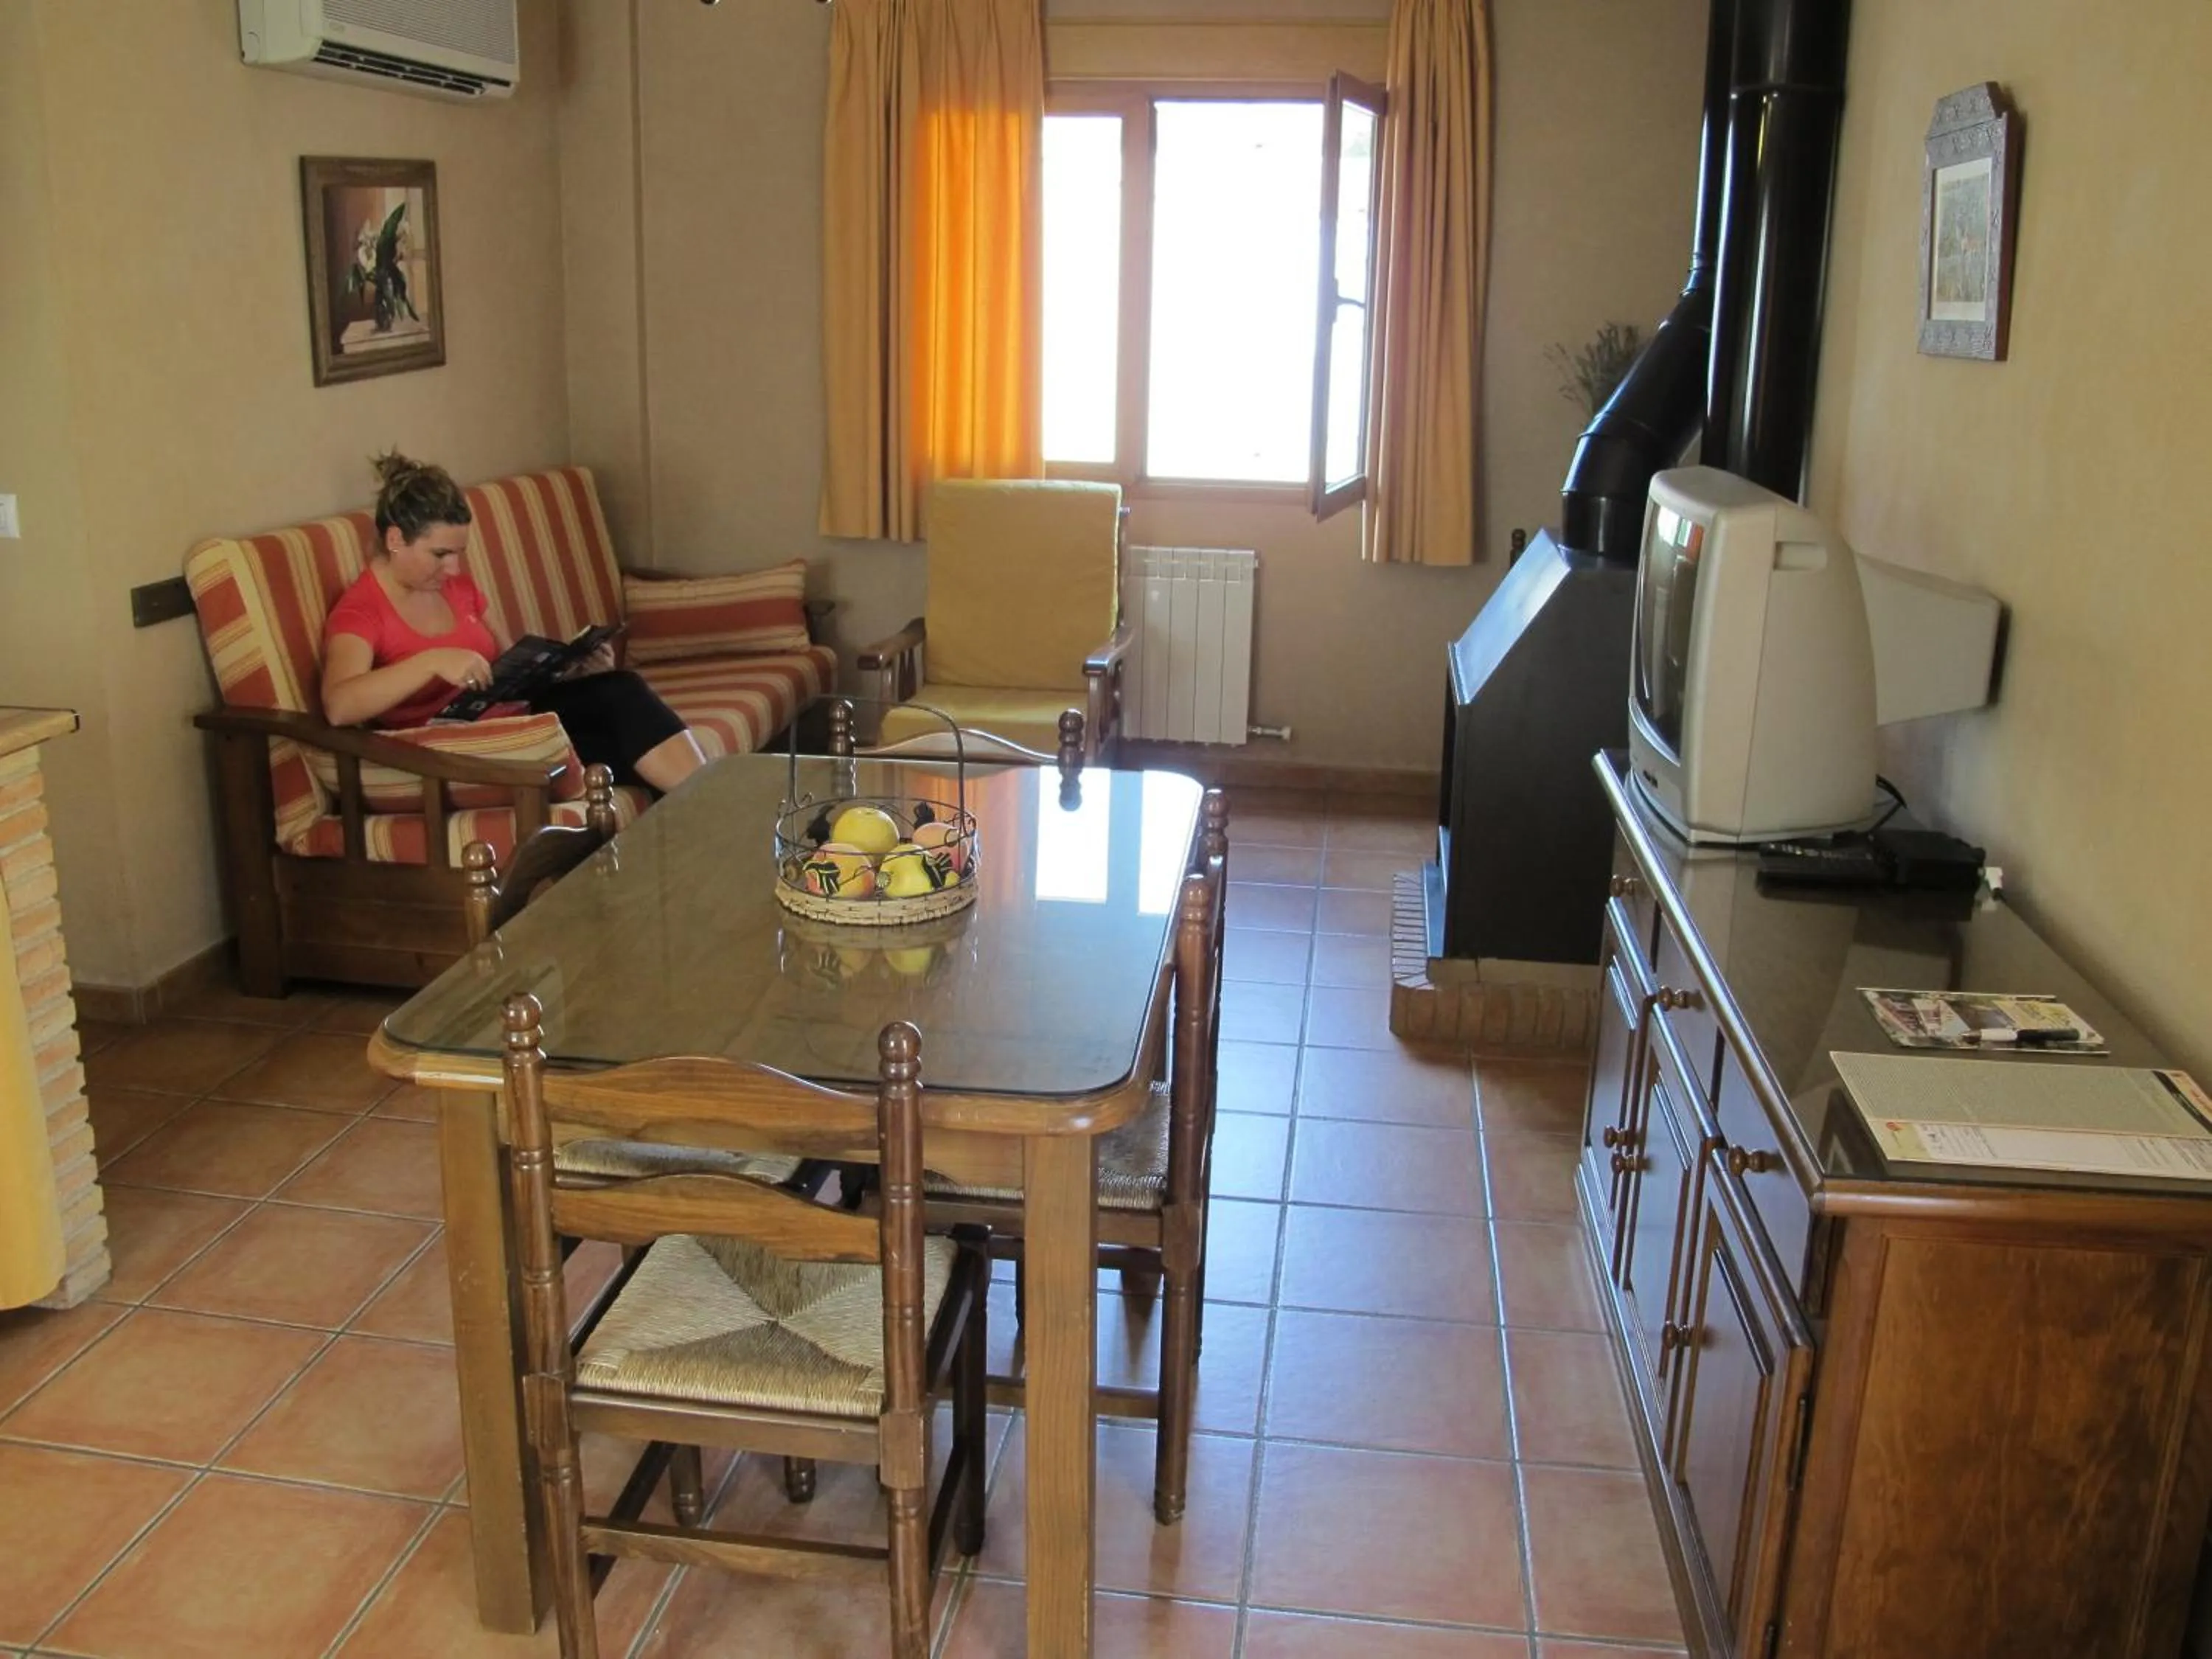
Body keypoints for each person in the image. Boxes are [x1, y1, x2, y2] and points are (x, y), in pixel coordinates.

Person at [321, 453, 708, 793]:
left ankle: (718, 812)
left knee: (620, 696)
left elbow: (510, 665)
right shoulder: (362, 609)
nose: (453, 568)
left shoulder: (455, 586)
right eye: (440, 554)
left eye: (458, 554)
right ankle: (722, 813)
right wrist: (431, 661)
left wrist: (570, 670)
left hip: (514, 723)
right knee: (626, 752)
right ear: (394, 539)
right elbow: (340, 705)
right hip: (455, 751)